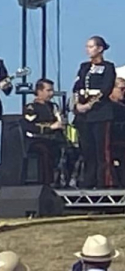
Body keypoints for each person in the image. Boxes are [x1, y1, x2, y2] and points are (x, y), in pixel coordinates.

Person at [72, 36, 116, 189]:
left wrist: (90, 105)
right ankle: (88, 180)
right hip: (84, 115)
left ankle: (103, 182)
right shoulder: (84, 67)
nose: (87, 50)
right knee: (87, 149)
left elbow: (106, 89)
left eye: (91, 47)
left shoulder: (108, 67)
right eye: (87, 46)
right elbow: (77, 86)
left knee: (101, 150)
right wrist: (78, 104)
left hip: (100, 112)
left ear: (100, 48)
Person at [22, 77, 65, 185]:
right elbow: (29, 126)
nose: (51, 93)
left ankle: (64, 180)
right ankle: (46, 182)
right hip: (37, 140)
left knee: (70, 151)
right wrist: (50, 127)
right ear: (39, 91)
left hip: (54, 139)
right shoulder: (31, 108)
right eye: (48, 90)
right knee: (45, 151)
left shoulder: (53, 107)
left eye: (52, 90)